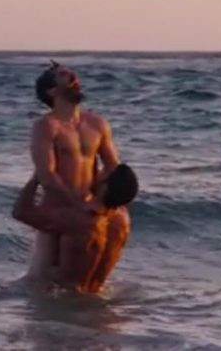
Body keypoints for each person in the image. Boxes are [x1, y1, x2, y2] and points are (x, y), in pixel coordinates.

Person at [16, 61, 131, 290]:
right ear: (52, 91)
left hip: (88, 205)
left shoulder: (97, 124)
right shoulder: (47, 126)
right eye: (65, 76)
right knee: (43, 284)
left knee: (120, 221)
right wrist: (78, 204)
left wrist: (99, 200)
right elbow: (47, 175)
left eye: (74, 75)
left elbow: (112, 166)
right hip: (59, 206)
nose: (75, 80)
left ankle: (93, 294)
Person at [12, 163, 138, 292]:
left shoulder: (80, 221)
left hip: (67, 298)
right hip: (98, 294)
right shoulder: (123, 220)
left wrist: (36, 178)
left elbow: (20, 212)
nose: (96, 174)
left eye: (102, 172)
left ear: (104, 187)